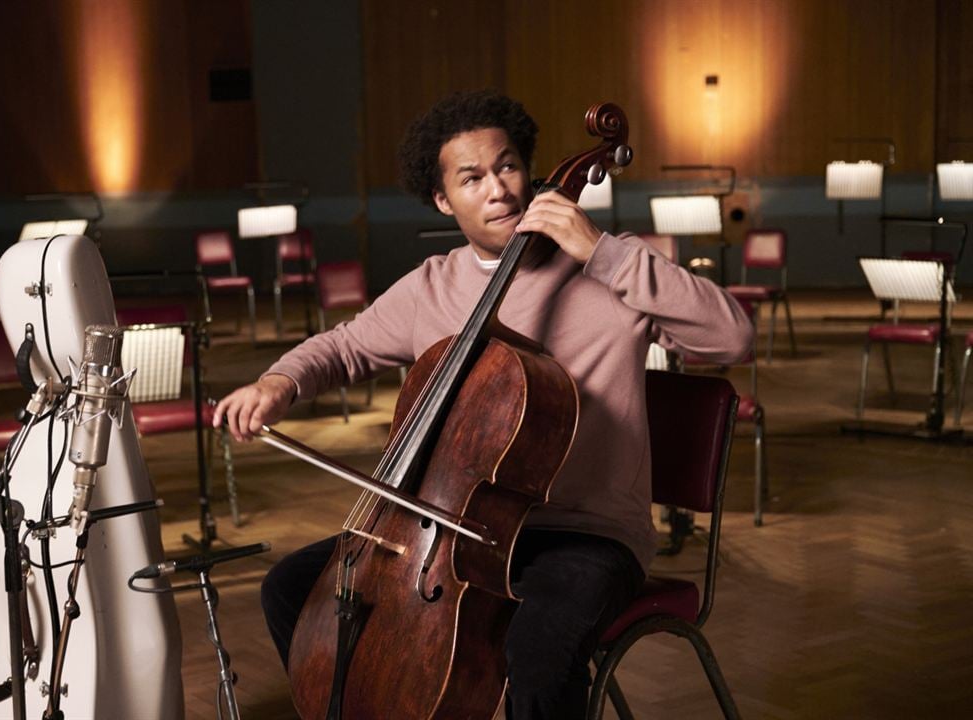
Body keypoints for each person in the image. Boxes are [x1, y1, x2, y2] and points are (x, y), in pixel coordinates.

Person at [213, 89, 753, 719]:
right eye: (472, 178)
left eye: (507, 167)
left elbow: (733, 338)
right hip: (445, 532)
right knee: (293, 589)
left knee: (540, 651)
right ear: (444, 200)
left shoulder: (612, 270)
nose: (497, 189)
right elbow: (342, 347)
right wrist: (280, 382)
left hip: (584, 537)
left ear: (530, 173)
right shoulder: (432, 285)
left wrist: (601, 251)